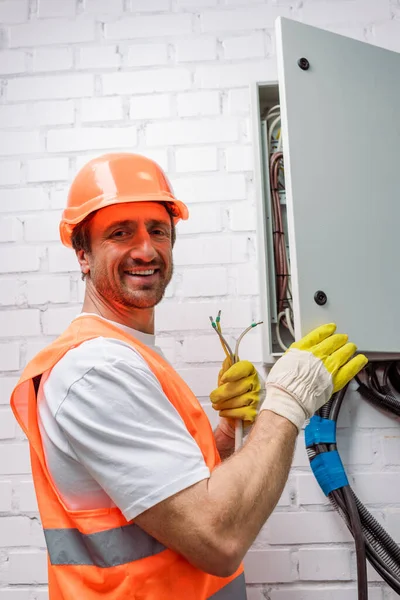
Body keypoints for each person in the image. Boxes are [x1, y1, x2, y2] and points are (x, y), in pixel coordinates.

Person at [10, 153, 368, 600]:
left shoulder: (127, 354)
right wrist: (286, 402)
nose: (145, 249)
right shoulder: (95, 370)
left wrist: (229, 433)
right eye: (120, 233)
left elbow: (159, 495)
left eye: (157, 230)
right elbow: (217, 540)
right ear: (83, 255)